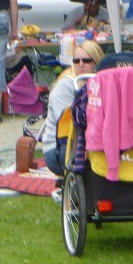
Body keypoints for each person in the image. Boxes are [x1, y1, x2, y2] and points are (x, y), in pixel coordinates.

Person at [40, 39, 105, 175]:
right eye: (76, 61)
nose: (80, 64)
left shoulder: (100, 82)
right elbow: (68, 124)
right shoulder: (66, 86)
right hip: (60, 147)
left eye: (86, 60)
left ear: (96, 62)